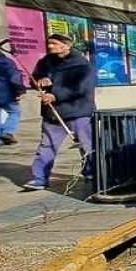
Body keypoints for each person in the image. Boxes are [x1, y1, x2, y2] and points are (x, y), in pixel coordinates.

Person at [24, 33, 96, 191]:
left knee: (87, 145)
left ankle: (92, 172)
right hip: (52, 113)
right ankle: (39, 178)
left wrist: (56, 95)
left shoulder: (82, 65)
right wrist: (40, 81)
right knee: (46, 145)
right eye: (49, 43)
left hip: (79, 112)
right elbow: (34, 79)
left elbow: (81, 88)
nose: (50, 46)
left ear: (66, 45)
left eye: (54, 44)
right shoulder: (45, 62)